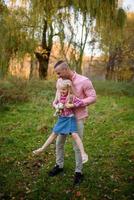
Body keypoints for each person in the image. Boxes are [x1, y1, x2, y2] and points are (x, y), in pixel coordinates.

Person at [48, 60, 96, 185]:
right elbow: (58, 93)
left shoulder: (84, 81)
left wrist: (79, 103)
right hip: (64, 117)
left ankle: (78, 172)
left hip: (78, 117)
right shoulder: (60, 81)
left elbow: (93, 97)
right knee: (59, 143)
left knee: (76, 146)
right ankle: (59, 165)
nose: (58, 76)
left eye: (59, 73)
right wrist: (55, 104)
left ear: (65, 69)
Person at [33, 79, 88, 164]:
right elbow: (54, 103)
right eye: (60, 89)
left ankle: (83, 154)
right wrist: (57, 106)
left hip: (70, 118)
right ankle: (42, 148)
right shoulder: (59, 96)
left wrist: (72, 105)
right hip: (62, 119)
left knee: (75, 135)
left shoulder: (71, 97)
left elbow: (81, 102)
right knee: (54, 133)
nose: (62, 91)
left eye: (64, 89)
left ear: (68, 89)